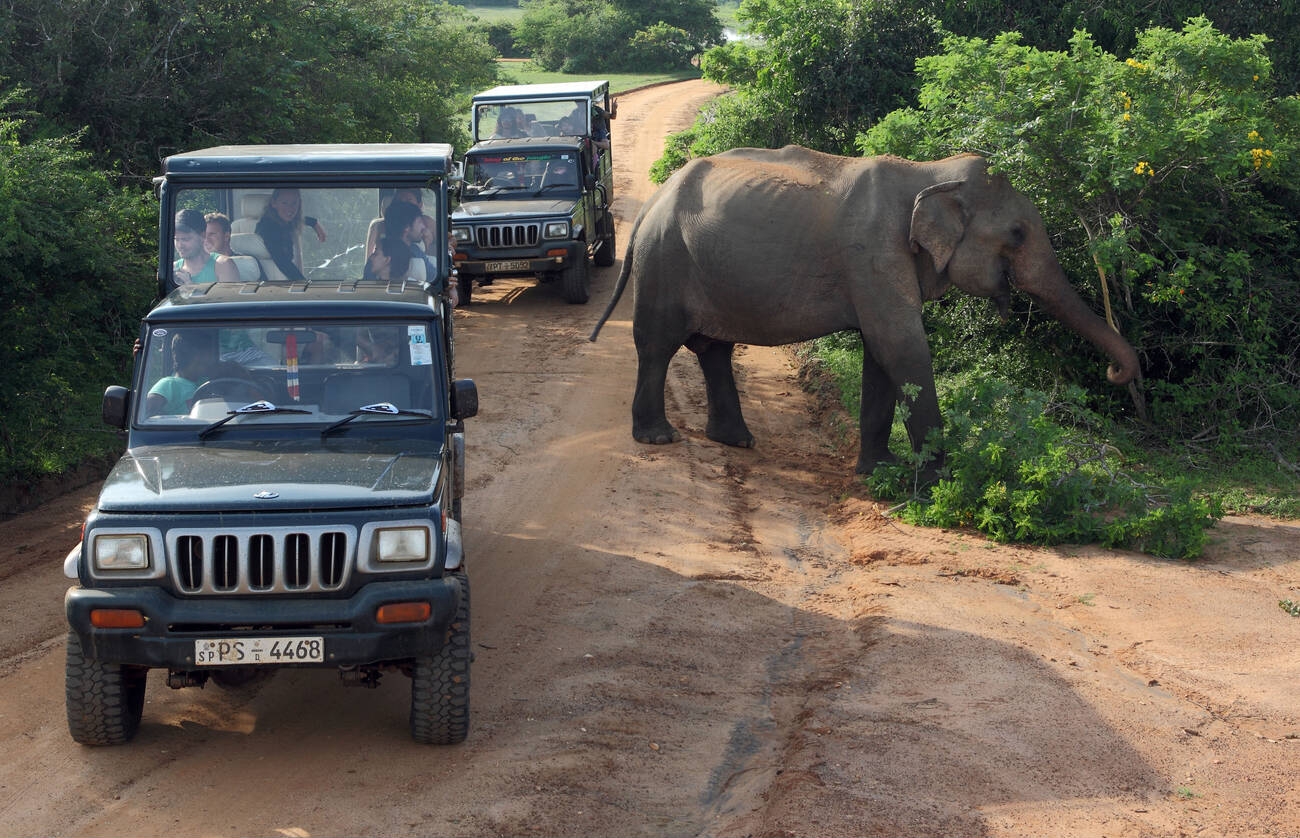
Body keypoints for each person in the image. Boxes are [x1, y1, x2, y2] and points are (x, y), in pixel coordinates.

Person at [255, 188, 327, 281]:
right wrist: (303, 283)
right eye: (284, 203)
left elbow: (298, 219)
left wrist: (314, 223)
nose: (290, 209)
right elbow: (282, 260)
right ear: (274, 203)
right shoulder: (268, 228)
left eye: (294, 203)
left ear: (299, 203)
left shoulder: (280, 219)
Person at [146, 332, 214, 415]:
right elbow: (144, 414)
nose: (211, 359)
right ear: (197, 356)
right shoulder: (168, 385)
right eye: (209, 353)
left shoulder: (207, 382)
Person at [173, 209, 238, 286]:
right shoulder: (173, 269)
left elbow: (229, 298)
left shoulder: (223, 265)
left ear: (202, 236)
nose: (180, 245)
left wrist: (190, 287)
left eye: (186, 239)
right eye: (176, 239)